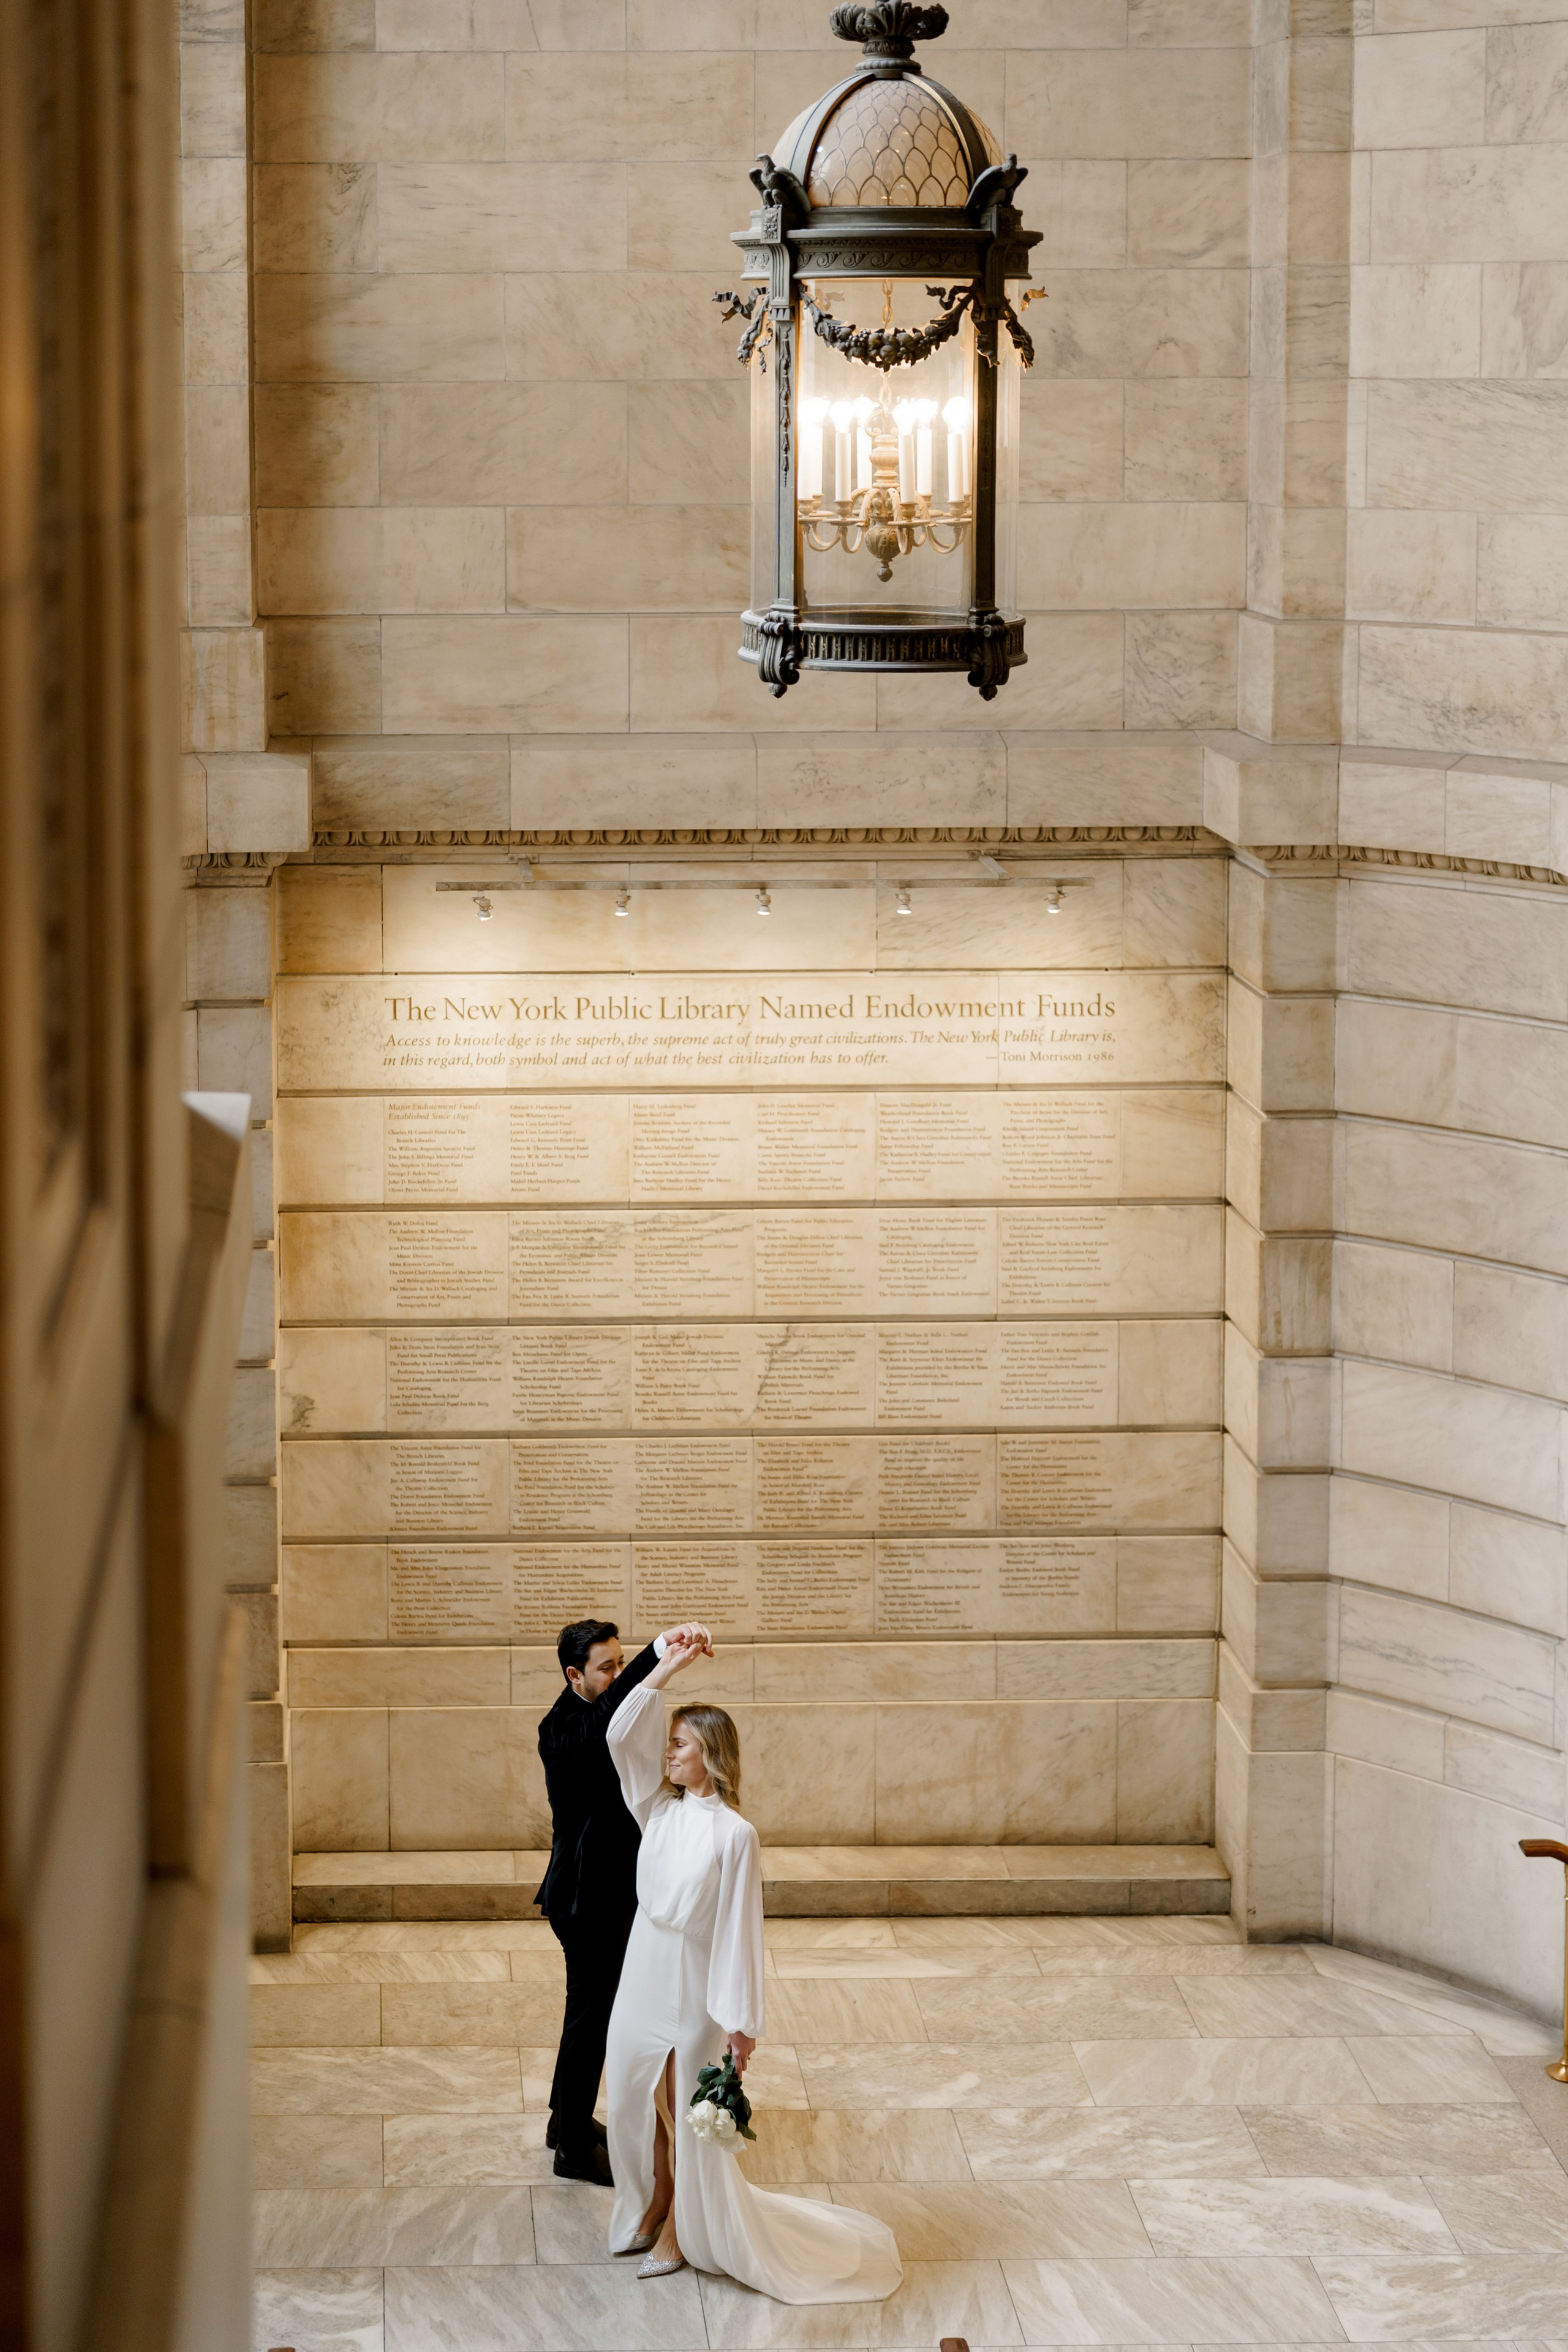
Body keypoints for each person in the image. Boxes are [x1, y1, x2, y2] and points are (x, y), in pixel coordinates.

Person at [602, 1632, 903, 2302]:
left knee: (686, 2108)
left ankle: (679, 2228)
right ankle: (648, 2202)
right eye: (670, 1743)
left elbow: (742, 1929)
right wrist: (666, 1665)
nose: (666, 1753)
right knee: (626, 2096)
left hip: (694, 1983)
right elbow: (621, 1734)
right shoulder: (655, 1808)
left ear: (708, 1753)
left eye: (678, 1744)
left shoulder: (735, 1835)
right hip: (642, 1966)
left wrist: (742, 2026)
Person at [535, 1615, 710, 2184]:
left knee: (585, 2013)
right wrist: (659, 1663)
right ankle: (573, 2152)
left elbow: (621, 1708)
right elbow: (614, 1716)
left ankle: (566, 2123)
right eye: (604, 1668)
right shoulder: (561, 1728)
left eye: (619, 1662)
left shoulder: (597, 1707)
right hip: (585, 1899)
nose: (615, 1675)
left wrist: (662, 1648)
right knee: (594, 2017)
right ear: (573, 1675)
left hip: (604, 1895)